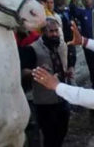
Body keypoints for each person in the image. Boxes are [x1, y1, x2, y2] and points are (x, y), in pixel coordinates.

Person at [19, 18, 71, 147]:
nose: (54, 34)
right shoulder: (32, 49)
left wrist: (69, 70)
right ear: (43, 32)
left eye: (56, 31)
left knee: (62, 132)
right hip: (45, 102)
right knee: (50, 136)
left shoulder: (61, 45)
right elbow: (23, 72)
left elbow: (67, 61)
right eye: (50, 31)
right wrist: (36, 72)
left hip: (63, 97)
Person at [54, 0, 76, 79]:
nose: (63, 0)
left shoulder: (68, 9)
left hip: (70, 38)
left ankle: (71, 76)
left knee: (72, 59)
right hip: (61, 40)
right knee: (63, 62)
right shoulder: (54, 12)